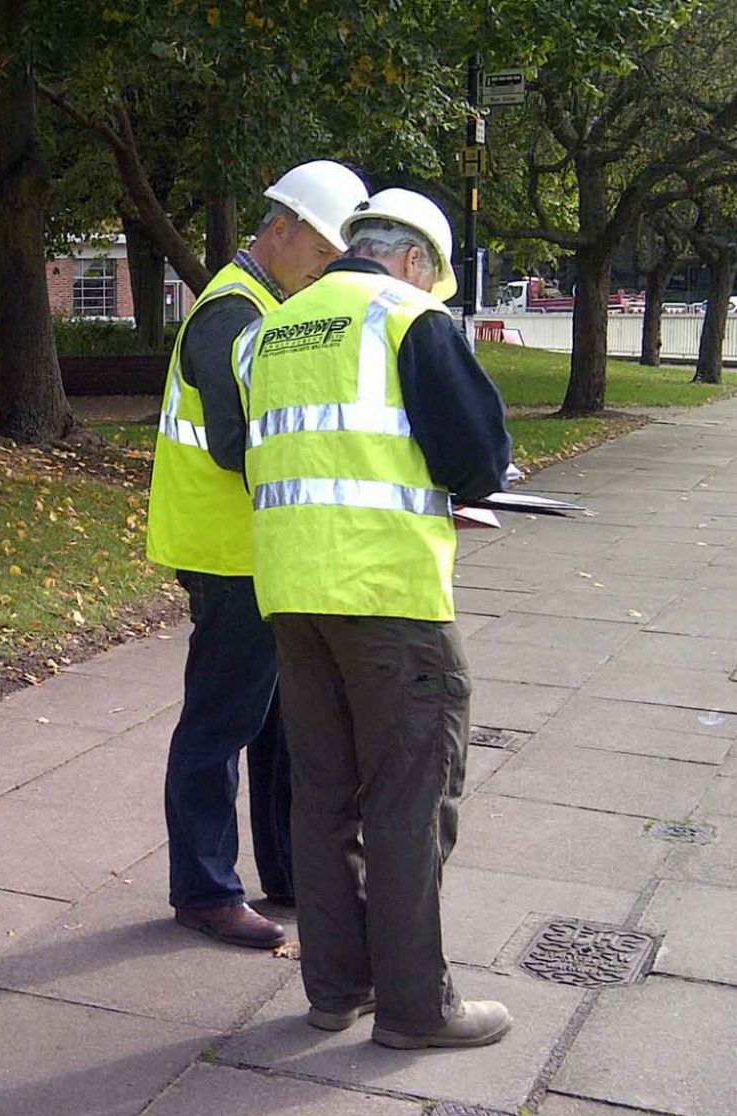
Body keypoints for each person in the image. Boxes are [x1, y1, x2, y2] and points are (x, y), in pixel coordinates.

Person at [236, 188, 514, 1047]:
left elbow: (242, 449)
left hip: (291, 590)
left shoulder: (267, 330)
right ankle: (416, 1007)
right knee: (410, 798)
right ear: (419, 262)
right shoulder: (408, 318)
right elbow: (479, 458)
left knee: (321, 798)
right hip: (389, 597)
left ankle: (336, 989)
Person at [146, 161, 369, 949]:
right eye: (324, 249)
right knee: (223, 719)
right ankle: (205, 889)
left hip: (257, 542)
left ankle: (286, 872)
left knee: (276, 717)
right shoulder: (233, 314)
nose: (330, 265)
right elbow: (245, 443)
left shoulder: (266, 306)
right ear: (284, 227)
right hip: (228, 547)